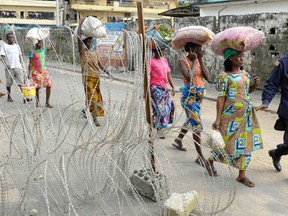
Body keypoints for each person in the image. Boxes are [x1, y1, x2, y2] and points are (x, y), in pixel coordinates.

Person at [210, 48, 263, 186]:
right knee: (225, 144)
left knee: (246, 144)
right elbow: (221, 98)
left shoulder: (245, 74)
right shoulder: (224, 77)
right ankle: (209, 161)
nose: (241, 58)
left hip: (246, 116)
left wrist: (255, 85)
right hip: (230, 117)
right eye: (237, 56)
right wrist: (218, 118)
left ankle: (241, 175)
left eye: (242, 55)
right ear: (230, 59)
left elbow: (248, 91)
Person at [171, 42, 212, 166]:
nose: (202, 50)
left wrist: (199, 59)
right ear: (192, 49)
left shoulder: (199, 60)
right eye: (200, 48)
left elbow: (208, 77)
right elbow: (189, 76)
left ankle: (178, 139)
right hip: (188, 98)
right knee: (196, 124)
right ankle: (200, 157)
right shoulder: (182, 61)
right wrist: (194, 61)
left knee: (191, 119)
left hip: (198, 97)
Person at [256, 55, 288, 172]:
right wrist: (266, 101)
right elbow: (272, 84)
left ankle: (277, 153)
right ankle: (277, 153)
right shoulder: (283, 63)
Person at [78, 34, 110, 126]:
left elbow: (99, 64)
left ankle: (86, 110)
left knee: (96, 97)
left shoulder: (95, 53)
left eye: (91, 42)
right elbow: (79, 43)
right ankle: (94, 118)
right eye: (87, 42)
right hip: (87, 78)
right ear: (84, 43)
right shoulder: (83, 53)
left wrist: (107, 72)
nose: (89, 43)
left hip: (96, 78)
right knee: (92, 97)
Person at [148, 48, 175, 137]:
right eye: (159, 50)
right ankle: (158, 127)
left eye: (162, 50)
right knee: (160, 108)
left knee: (168, 106)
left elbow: (168, 74)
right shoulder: (150, 62)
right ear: (154, 52)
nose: (161, 52)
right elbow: (147, 76)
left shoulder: (165, 61)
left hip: (164, 87)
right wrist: (146, 91)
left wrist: (173, 86)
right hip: (155, 87)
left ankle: (154, 124)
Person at [0, 33, 25, 102]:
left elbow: (20, 56)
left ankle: (24, 97)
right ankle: (9, 97)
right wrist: (6, 64)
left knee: (21, 82)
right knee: (9, 83)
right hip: (9, 67)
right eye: (10, 37)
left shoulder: (17, 46)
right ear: (7, 38)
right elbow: (2, 56)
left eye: (12, 37)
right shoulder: (4, 46)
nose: (11, 39)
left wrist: (21, 64)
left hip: (18, 67)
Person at [28, 39, 53, 108]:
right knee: (37, 87)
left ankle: (47, 102)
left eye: (41, 43)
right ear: (35, 44)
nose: (41, 45)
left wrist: (50, 39)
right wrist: (29, 73)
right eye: (39, 43)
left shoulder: (43, 50)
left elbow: (53, 47)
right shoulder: (32, 52)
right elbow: (30, 63)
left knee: (49, 86)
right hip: (36, 72)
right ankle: (37, 102)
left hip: (44, 71)